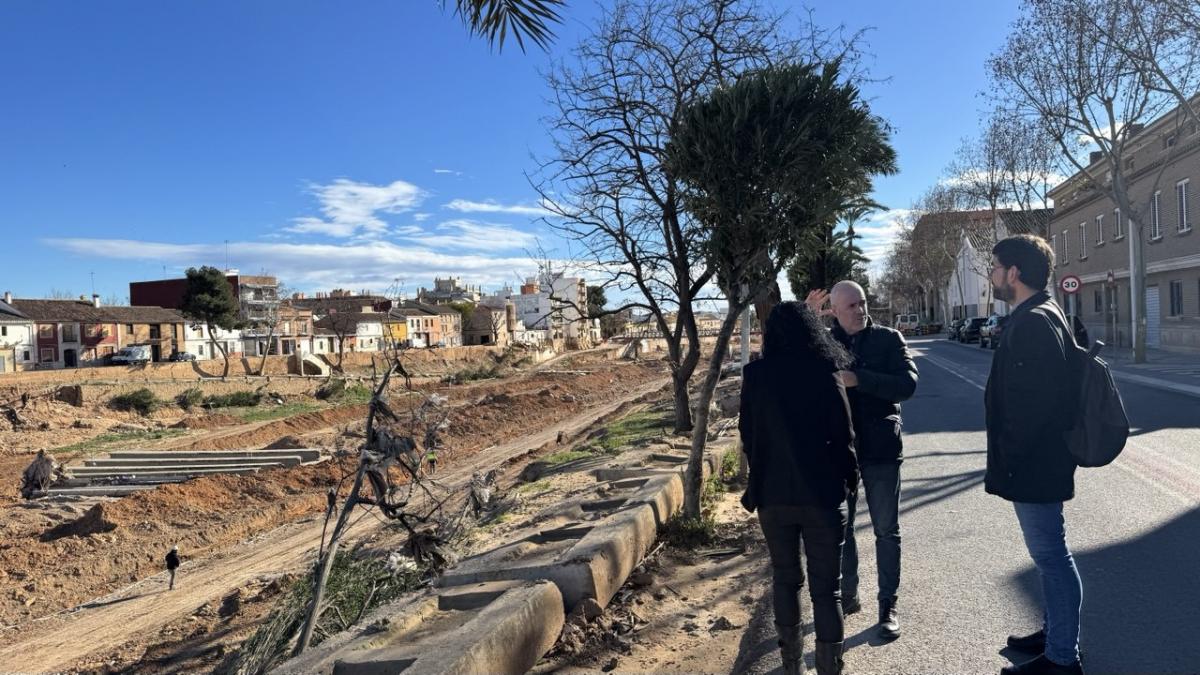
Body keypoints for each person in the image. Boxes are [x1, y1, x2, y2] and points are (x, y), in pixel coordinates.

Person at [739, 302, 859, 675]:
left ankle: (792, 666)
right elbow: (844, 436)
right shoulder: (825, 372)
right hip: (823, 496)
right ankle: (830, 668)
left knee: (785, 579)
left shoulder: (755, 375)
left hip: (773, 498)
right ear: (812, 330)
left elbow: (748, 434)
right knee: (828, 591)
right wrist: (849, 482)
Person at [986, 235, 1085, 675]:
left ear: (1015, 273)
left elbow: (1032, 406)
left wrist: (1009, 455)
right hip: (1042, 459)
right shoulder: (1042, 313)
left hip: (1035, 462)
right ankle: (1055, 632)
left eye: (995, 266)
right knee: (1049, 555)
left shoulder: (1032, 322)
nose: (991, 274)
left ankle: (1063, 658)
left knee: (1051, 556)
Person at [808, 280, 917, 640]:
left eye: (863, 303)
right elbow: (793, 364)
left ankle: (888, 605)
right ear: (835, 312)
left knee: (887, 530)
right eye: (851, 306)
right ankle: (849, 596)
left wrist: (860, 379)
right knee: (844, 529)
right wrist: (807, 319)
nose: (860, 310)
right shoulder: (826, 342)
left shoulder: (888, 339)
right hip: (841, 451)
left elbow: (907, 385)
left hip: (883, 449)